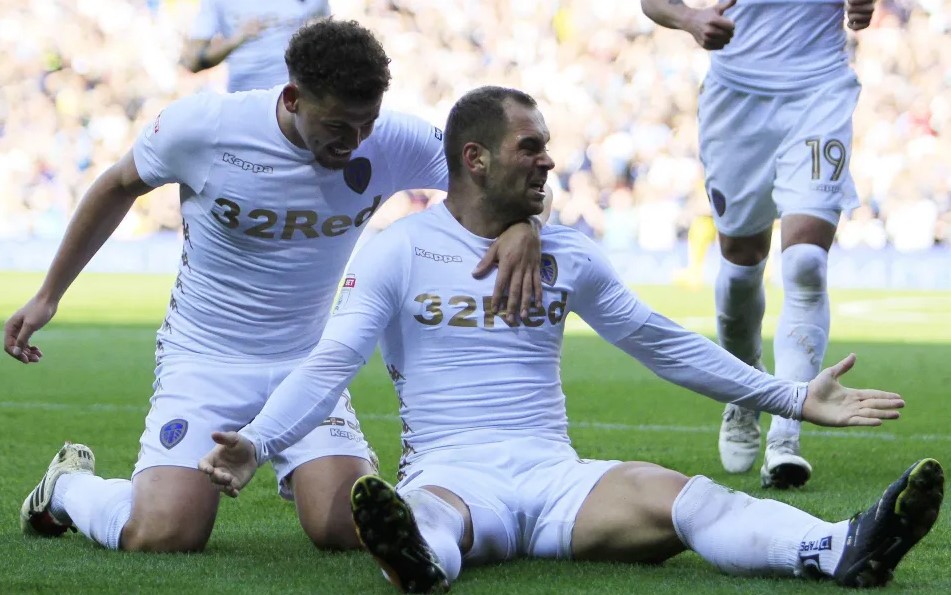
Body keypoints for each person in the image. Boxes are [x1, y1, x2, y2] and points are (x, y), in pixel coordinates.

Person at [197, 86, 943, 592]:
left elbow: (660, 342)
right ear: (475, 158)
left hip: (558, 480)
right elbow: (334, 358)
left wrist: (790, 397)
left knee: (684, 494)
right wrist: (259, 442)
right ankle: (417, 560)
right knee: (429, 516)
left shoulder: (567, 252)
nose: (549, 160)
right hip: (455, 474)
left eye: (546, 146)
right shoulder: (400, 248)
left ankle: (838, 547)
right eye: (531, 147)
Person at [10, 21, 544, 554]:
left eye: (367, 124)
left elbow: (488, 175)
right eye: (338, 125)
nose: (354, 142)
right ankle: (68, 487)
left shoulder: (389, 140)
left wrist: (524, 224)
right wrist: (48, 294)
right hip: (204, 358)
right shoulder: (207, 126)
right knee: (163, 534)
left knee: (347, 530)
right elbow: (117, 185)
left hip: (307, 365)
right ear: (292, 97)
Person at [640, 0, 877, 488]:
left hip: (819, 88)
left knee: (807, 263)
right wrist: (688, 19)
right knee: (742, 260)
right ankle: (744, 392)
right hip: (737, 97)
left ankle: (785, 437)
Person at [180, 0, 331, 93]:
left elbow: (327, 41)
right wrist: (236, 39)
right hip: (245, 98)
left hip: (295, 95)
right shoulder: (217, 2)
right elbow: (192, 62)